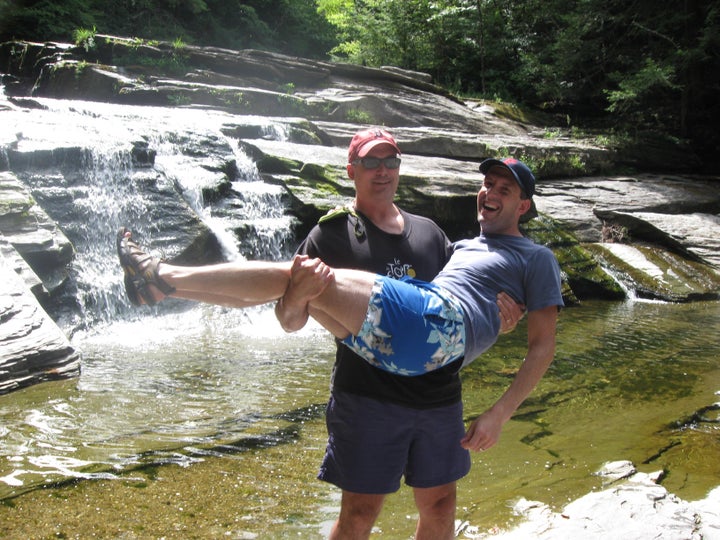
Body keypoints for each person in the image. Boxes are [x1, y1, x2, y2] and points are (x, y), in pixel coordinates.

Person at [117, 155, 563, 529]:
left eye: (505, 189)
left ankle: (162, 279)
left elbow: (542, 345)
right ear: (353, 171)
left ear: (524, 205)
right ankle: (162, 285)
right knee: (297, 281)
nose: (491, 193)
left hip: (436, 346)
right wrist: (491, 320)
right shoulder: (461, 246)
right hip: (400, 361)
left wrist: (499, 413)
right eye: (487, 184)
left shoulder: (536, 257)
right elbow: (293, 318)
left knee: (298, 275)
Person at [275, 128, 500, 539]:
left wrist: (501, 316)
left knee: (441, 504)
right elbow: (290, 321)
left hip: (438, 397)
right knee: (360, 514)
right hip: (368, 398)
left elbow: (460, 308)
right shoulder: (329, 235)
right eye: (371, 162)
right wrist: (295, 297)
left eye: (391, 162)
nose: (383, 171)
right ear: (351, 170)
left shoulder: (431, 234)